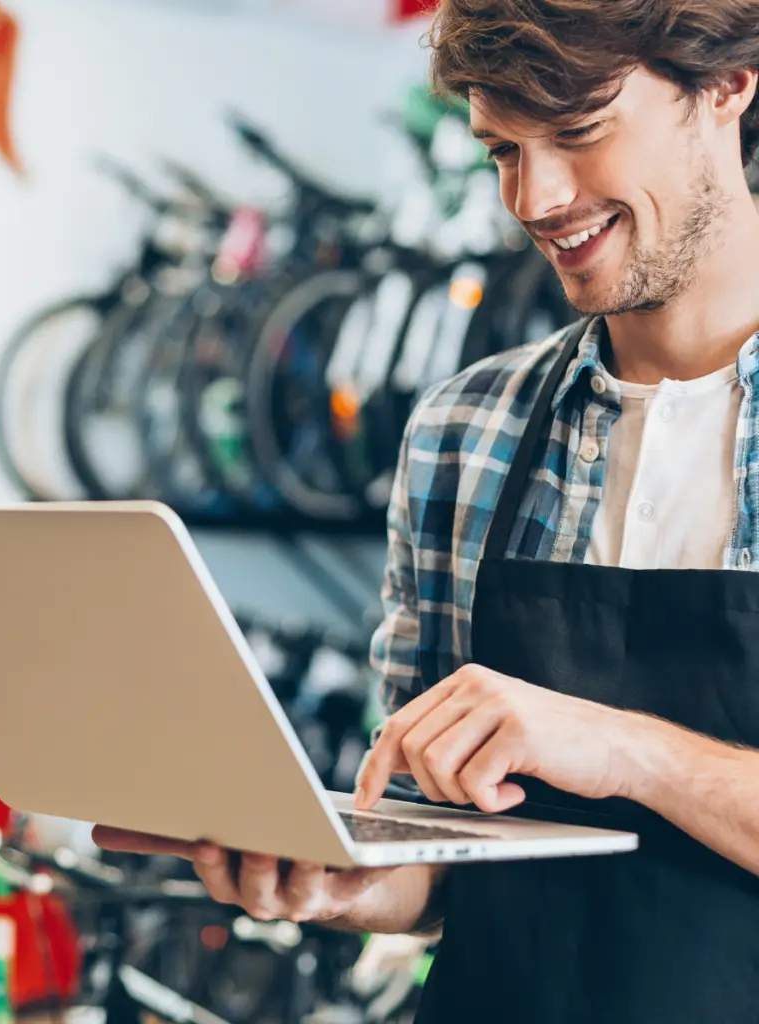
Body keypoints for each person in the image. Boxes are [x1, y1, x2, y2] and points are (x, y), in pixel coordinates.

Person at [94, 1, 759, 1018]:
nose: (535, 198)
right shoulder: (463, 430)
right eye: (501, 148)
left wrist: (626, 749)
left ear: (724, 87)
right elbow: (437, 849)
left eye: (576, 131)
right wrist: (349, 880)